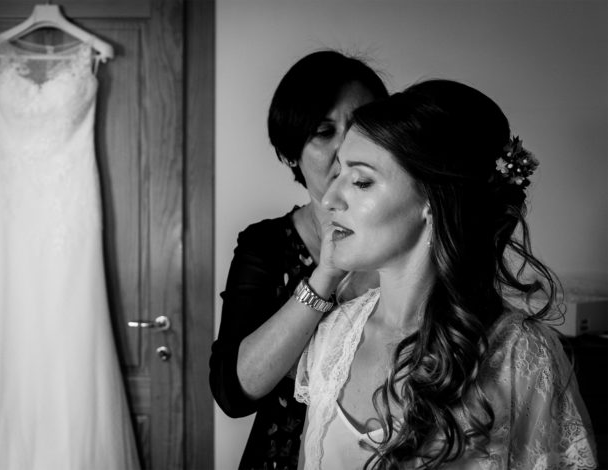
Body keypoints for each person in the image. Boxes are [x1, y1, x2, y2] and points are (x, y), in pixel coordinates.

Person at [294, 79, 598, 469]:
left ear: (431, 200)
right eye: (337, 175)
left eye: (361, 180)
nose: (330, 198)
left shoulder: (521, 358)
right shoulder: (334, 338)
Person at [209, 50, 388, 470]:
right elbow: (233, 395)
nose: (347, 147)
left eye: (362, 126)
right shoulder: (267, 246)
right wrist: (324, 277)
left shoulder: (412, 237)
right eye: (324, 132)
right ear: (290, 153)